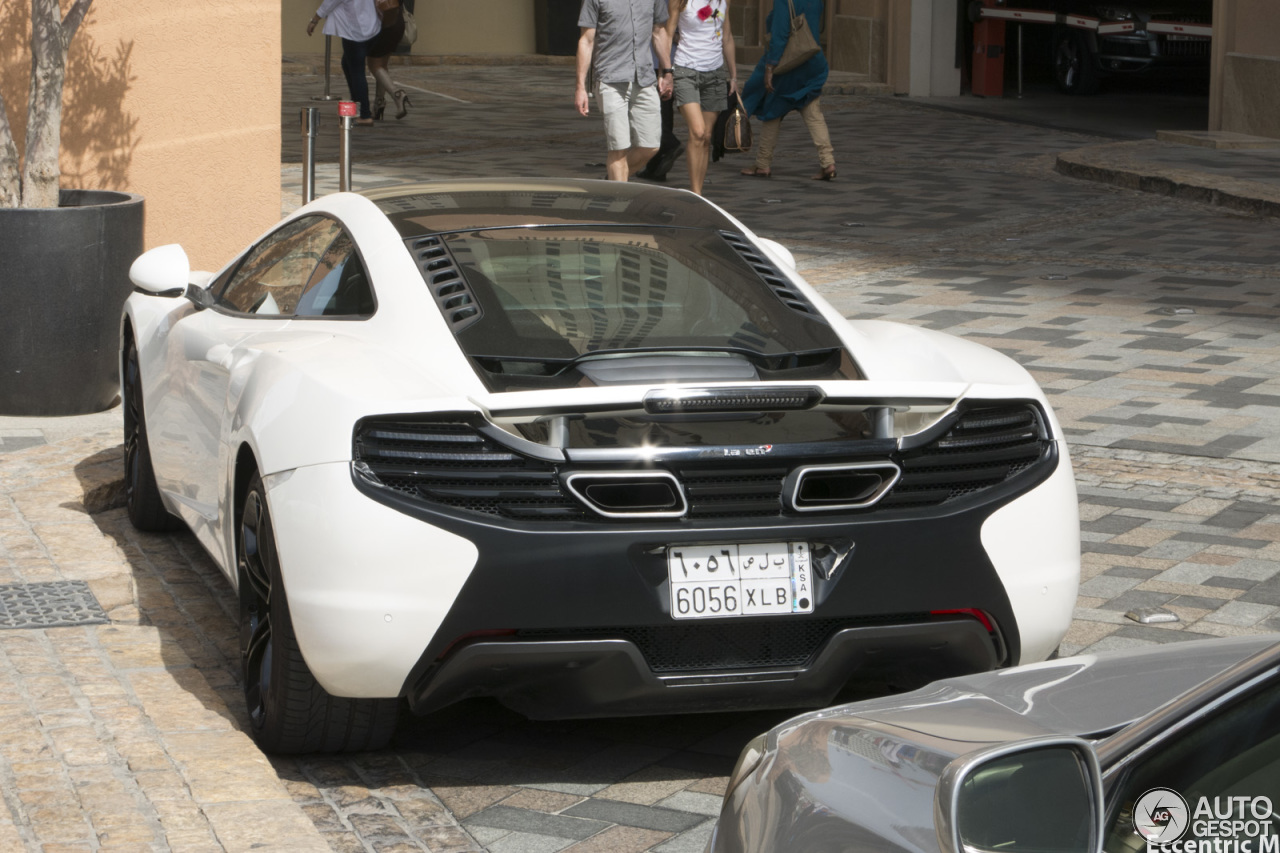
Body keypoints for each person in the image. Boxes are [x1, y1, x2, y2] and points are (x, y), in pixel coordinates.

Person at [576, 0, 674, 182]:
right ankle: (618, 200)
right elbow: (586, 40)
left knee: (650, 146)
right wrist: (581, 87)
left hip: (644, 77)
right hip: (610, 79)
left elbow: (659, 32)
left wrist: (667, 71)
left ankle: (612, 183)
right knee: (618, 149)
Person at [738, 0, 836, 180]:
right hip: (811, 60)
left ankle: (763, 164)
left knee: (772, 110)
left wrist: (770, 67)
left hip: (789, 64)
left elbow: (780, 34)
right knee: (813, 112)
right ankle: (828, 162)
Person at [665, 0, 736, 195]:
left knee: (705, 136)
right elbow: (669, 33)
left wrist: (734, 76)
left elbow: (727, 37)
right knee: (697, 132)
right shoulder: (681, 1)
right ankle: (695, 193)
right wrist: (666, 72)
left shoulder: (723, 1)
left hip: (714, 74)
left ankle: (699, 192)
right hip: (686, 71)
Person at [308, 0, 382, 127]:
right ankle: (356, 104)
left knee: (357, 71)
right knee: (347, 63)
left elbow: (330, 2)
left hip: (355, 31)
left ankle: (364, 114)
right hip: (371, 27)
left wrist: (315, 20)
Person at [366, 0, 409, 120]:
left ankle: (397, 94)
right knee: (382, 65)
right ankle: (379, 103)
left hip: (384, 23)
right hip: (397, 21)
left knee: (374, 65)